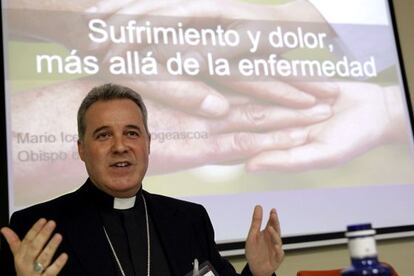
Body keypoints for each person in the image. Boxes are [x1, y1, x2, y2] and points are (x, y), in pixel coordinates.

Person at [0, 83, 284, 276]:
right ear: (81, 149)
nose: (120, 146)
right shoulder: (35, 228)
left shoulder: (189, 219)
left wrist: (258, 272)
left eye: (132, 133)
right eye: (103, 135)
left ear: (148, 144)